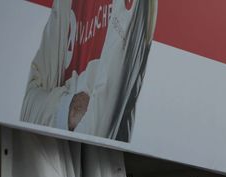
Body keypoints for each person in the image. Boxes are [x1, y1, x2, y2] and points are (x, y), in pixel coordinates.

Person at [20, 0, 158, 142]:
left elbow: (97, 133)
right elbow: (26, 109)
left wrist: (52, 109)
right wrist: (68, 108)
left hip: (95, 161)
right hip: (48, 155)